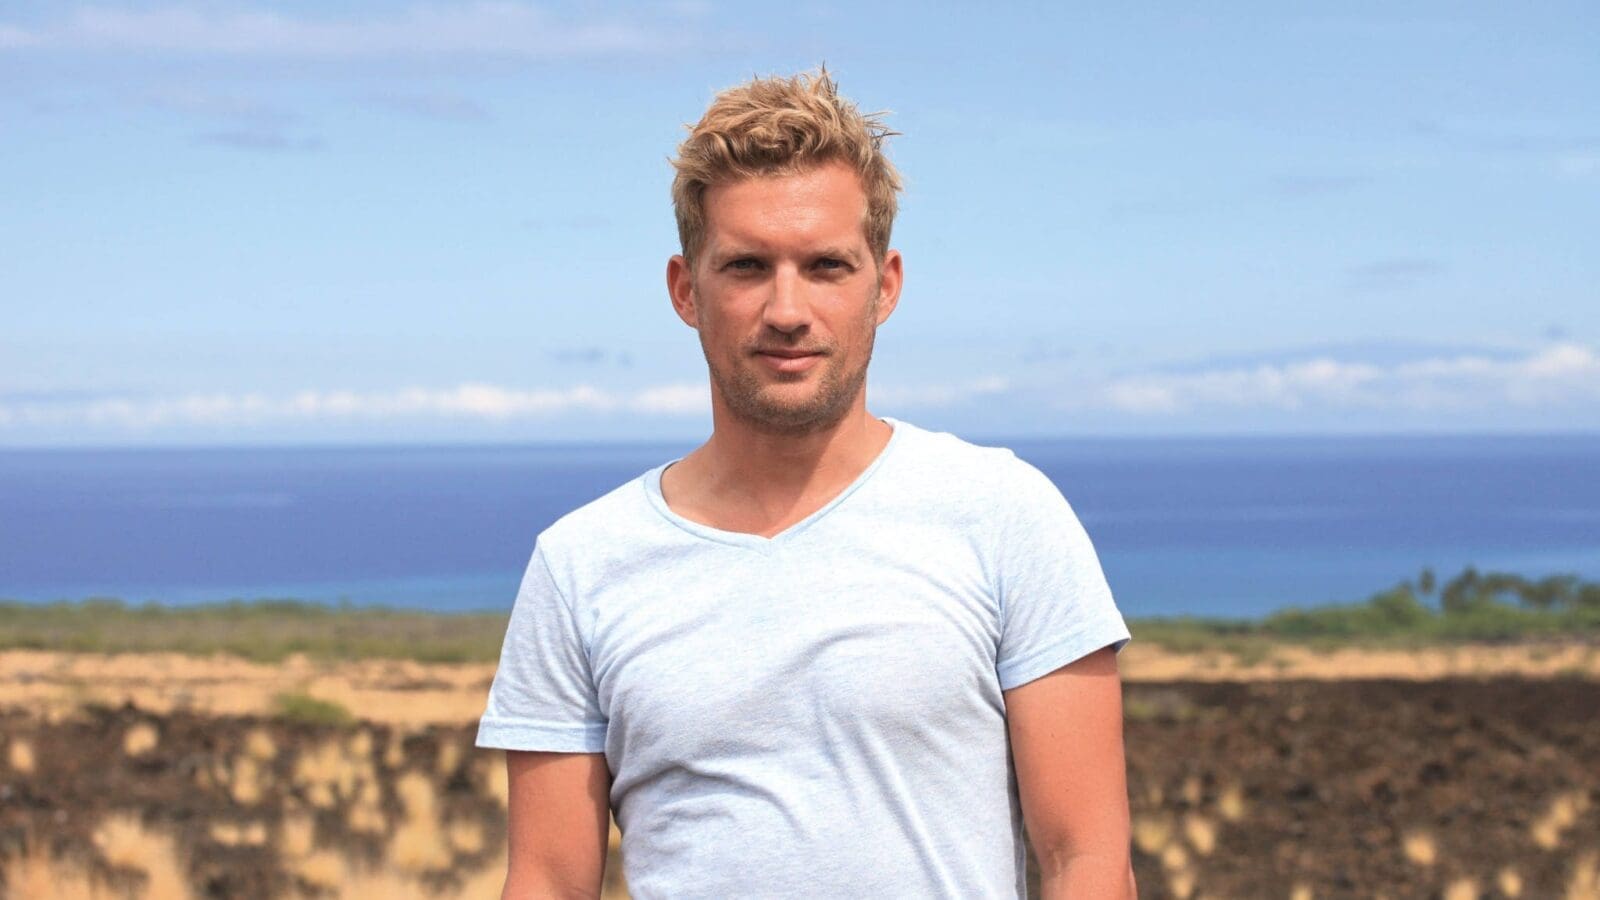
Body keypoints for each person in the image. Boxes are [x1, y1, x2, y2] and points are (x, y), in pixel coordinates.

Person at [475, 67, 1135, 899]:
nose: (787, 310)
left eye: (826, 266)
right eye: (747, 266)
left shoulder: (1003, 514)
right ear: (685, 289)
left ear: (883, 286)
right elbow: (546, 881)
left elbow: (1088, 859)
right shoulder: (580, 564)